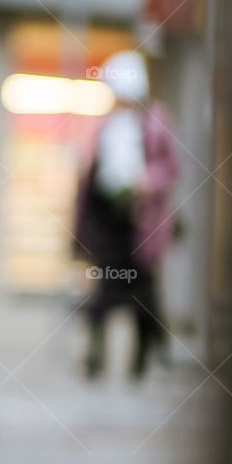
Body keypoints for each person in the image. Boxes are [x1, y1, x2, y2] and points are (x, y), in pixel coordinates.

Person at [73, 51, 180, 379]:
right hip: (110, 226)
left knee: (143, 298)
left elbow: (171, 167)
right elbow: (94, 176)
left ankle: (141, 360)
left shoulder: (155, 121)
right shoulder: (108, 125)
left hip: (140, 226)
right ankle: (96, 358)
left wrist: (146, 183)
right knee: (103, 294)